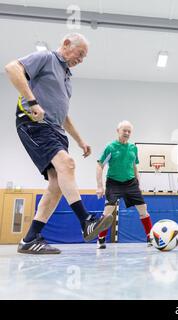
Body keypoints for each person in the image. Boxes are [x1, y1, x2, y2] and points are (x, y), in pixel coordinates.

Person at [4, 33, 113, 254]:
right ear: (65, 44)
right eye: (79, 54)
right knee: (67, 164)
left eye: (84, 58)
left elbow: (63, 114)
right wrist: (32, 101)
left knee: (57, 184)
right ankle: (86, 220)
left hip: (55, 129)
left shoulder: (67, 79)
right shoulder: (46, 58)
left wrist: (80, 140)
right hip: (34, 122)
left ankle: (30, 238)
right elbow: (11, 68)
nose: (80, 60)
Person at [96, 120, 153, 249]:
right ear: (118, 131)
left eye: (129, 131)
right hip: (113, 182)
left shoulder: (133, 148)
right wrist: (99, 186)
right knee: (108, 211)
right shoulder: (110, 147)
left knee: (143, 209)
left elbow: (134, 166)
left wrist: (138, 182)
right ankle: (101, 237)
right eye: (124, 131)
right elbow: (100, 166)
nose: (127, 133)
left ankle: (150, 237)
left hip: (131, 183)